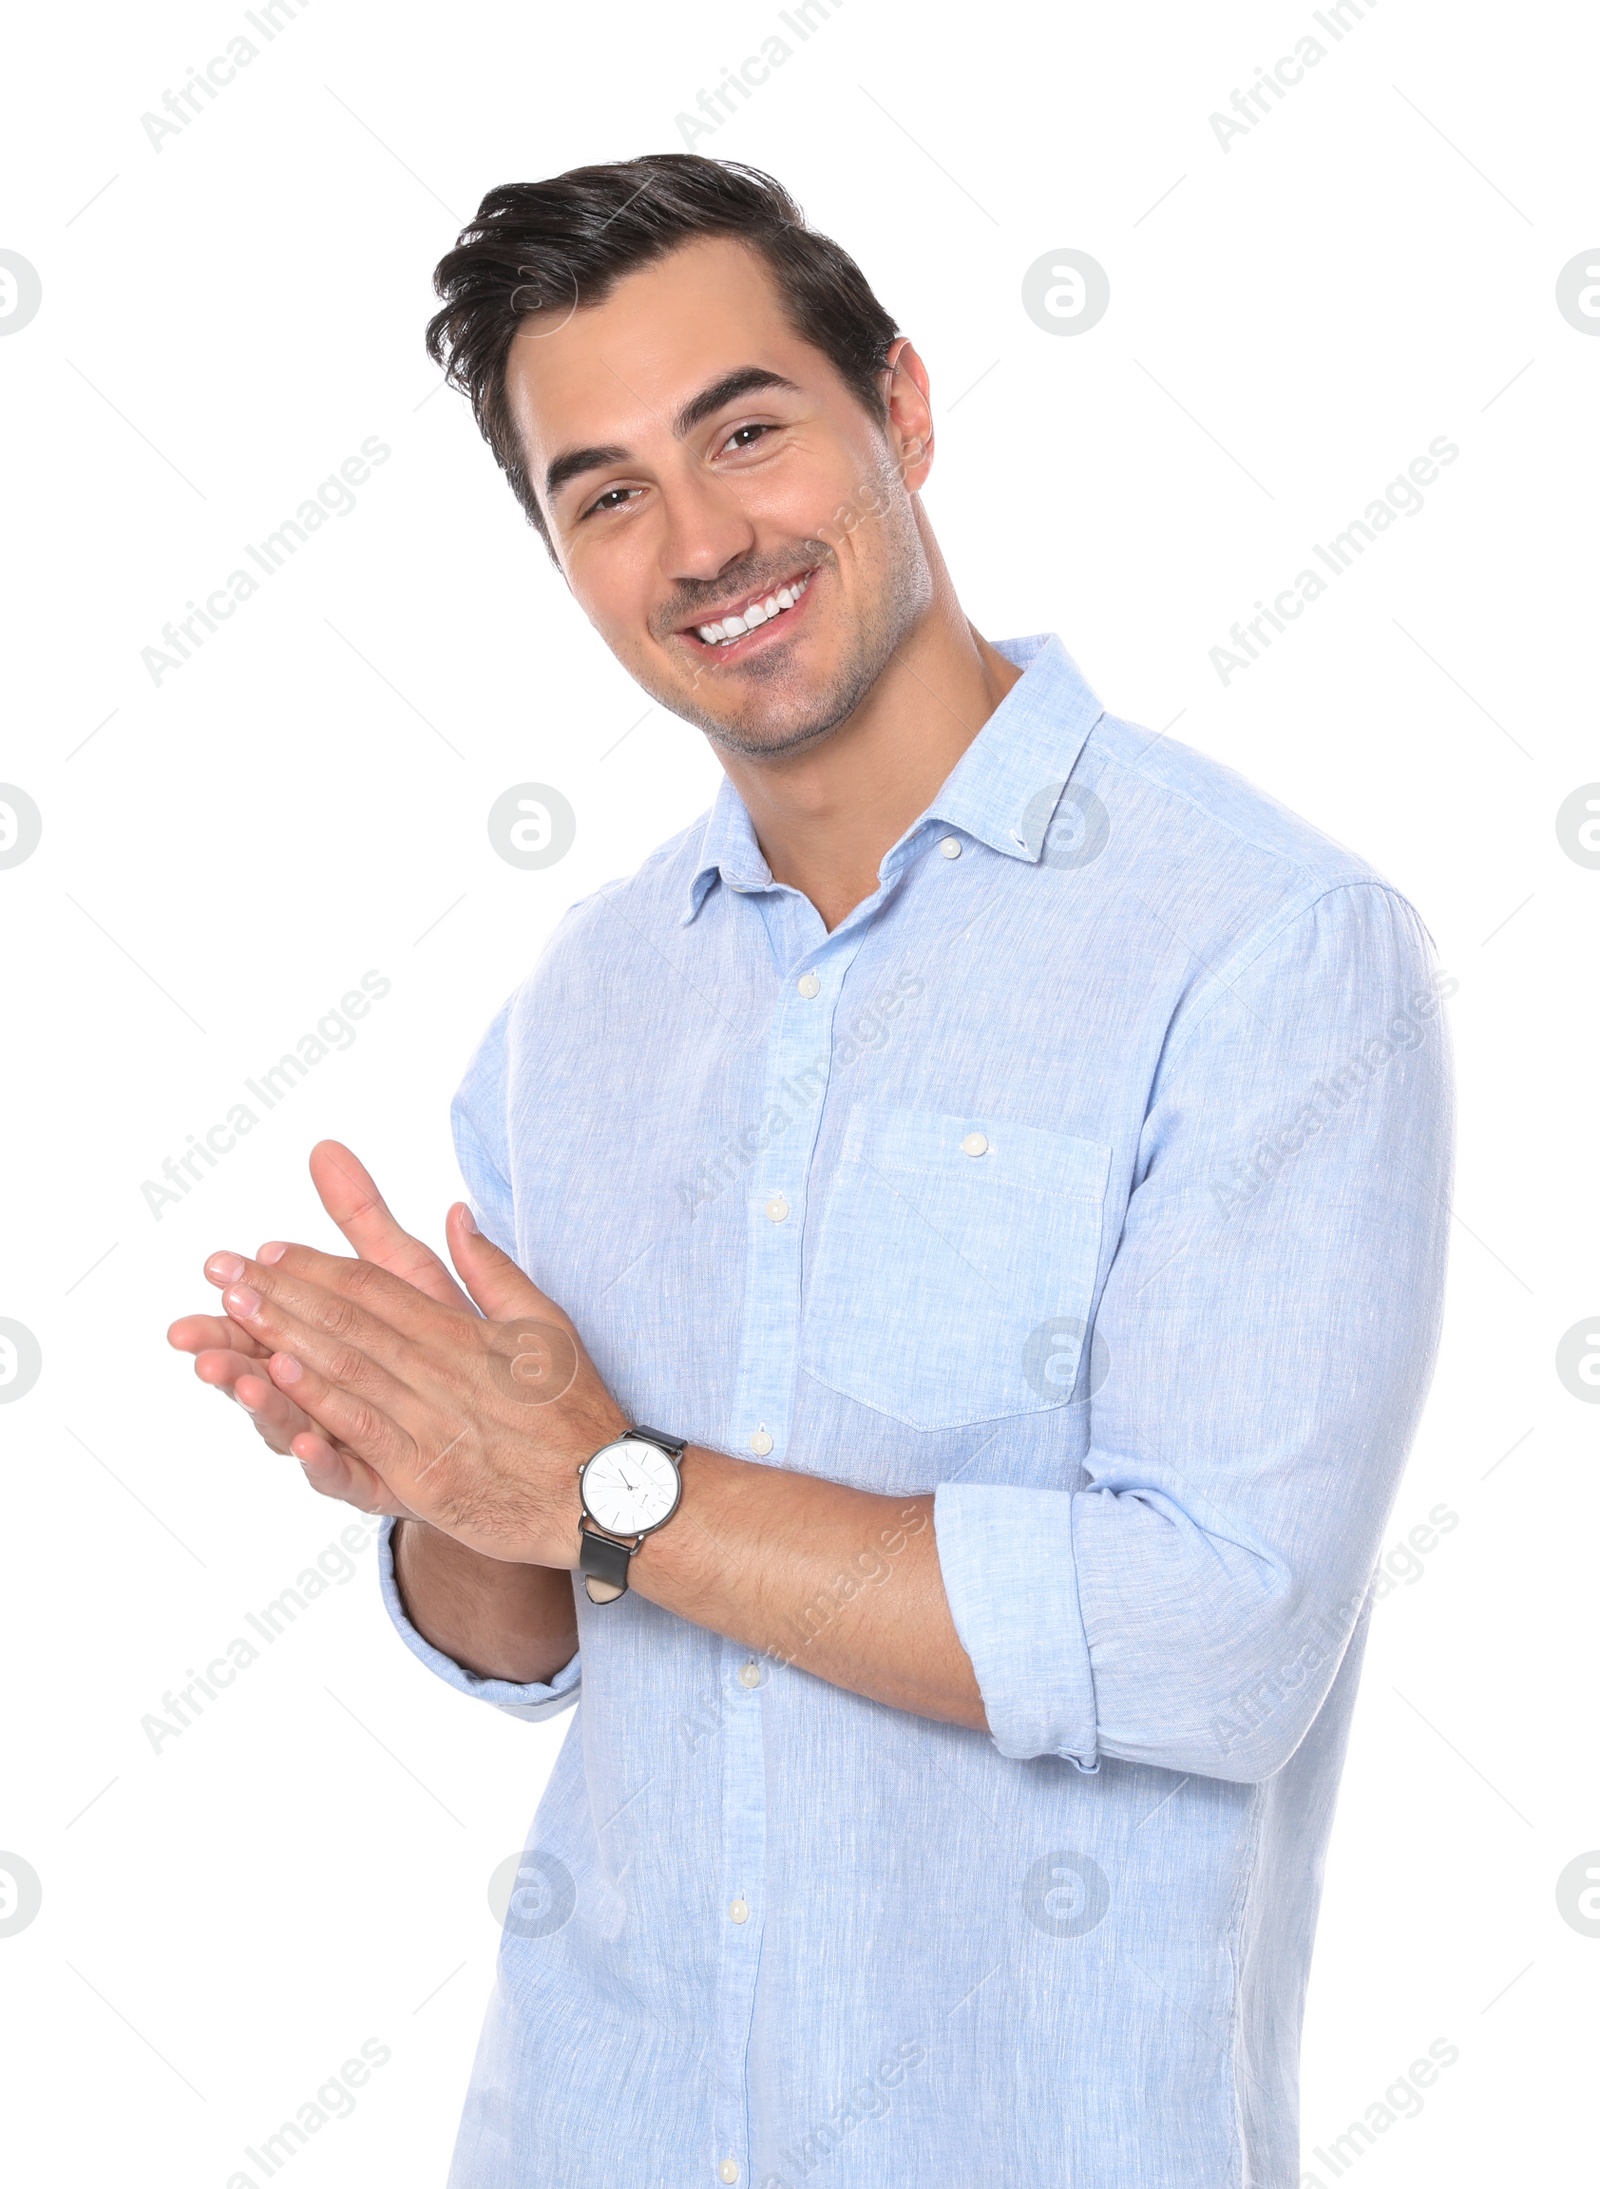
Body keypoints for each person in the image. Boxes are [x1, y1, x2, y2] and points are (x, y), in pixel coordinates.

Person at [168, 153, 1453, 2189]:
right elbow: (548, 1634)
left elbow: (1222, 1638)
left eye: (744, 430)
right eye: (602, 494)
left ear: (904, 408)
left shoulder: (1264, 949)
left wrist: (603, 1488)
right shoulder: (584, 1003)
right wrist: (445, 1487)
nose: (698, 540)